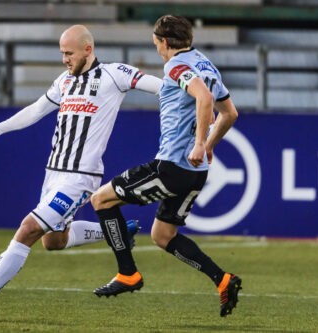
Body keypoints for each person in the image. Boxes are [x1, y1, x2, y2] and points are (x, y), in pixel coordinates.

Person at [0, 24, 163, 319]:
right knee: (54, 241)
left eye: (69, 53)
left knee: (28, 229)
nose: (64, 58)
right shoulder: (64, 81)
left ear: (88, 50)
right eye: (62, 53)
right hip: (53, 174)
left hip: (80, 178)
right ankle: (114, 231)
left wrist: (195, 94)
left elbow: (160, 86)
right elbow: (36, 110)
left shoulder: (115, 75)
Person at [90, 15, 241, 317]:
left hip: (171, 167)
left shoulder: (176, 65)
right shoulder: (205, 63)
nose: (157, 49)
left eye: (156, 43)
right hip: (196, 173)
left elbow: (204, 96)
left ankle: (127, 273)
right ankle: (222, 279)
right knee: (163, 236)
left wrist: (200, 143)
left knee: (101, 199)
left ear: (165, 42)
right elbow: (230, 113)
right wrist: (209, 147)